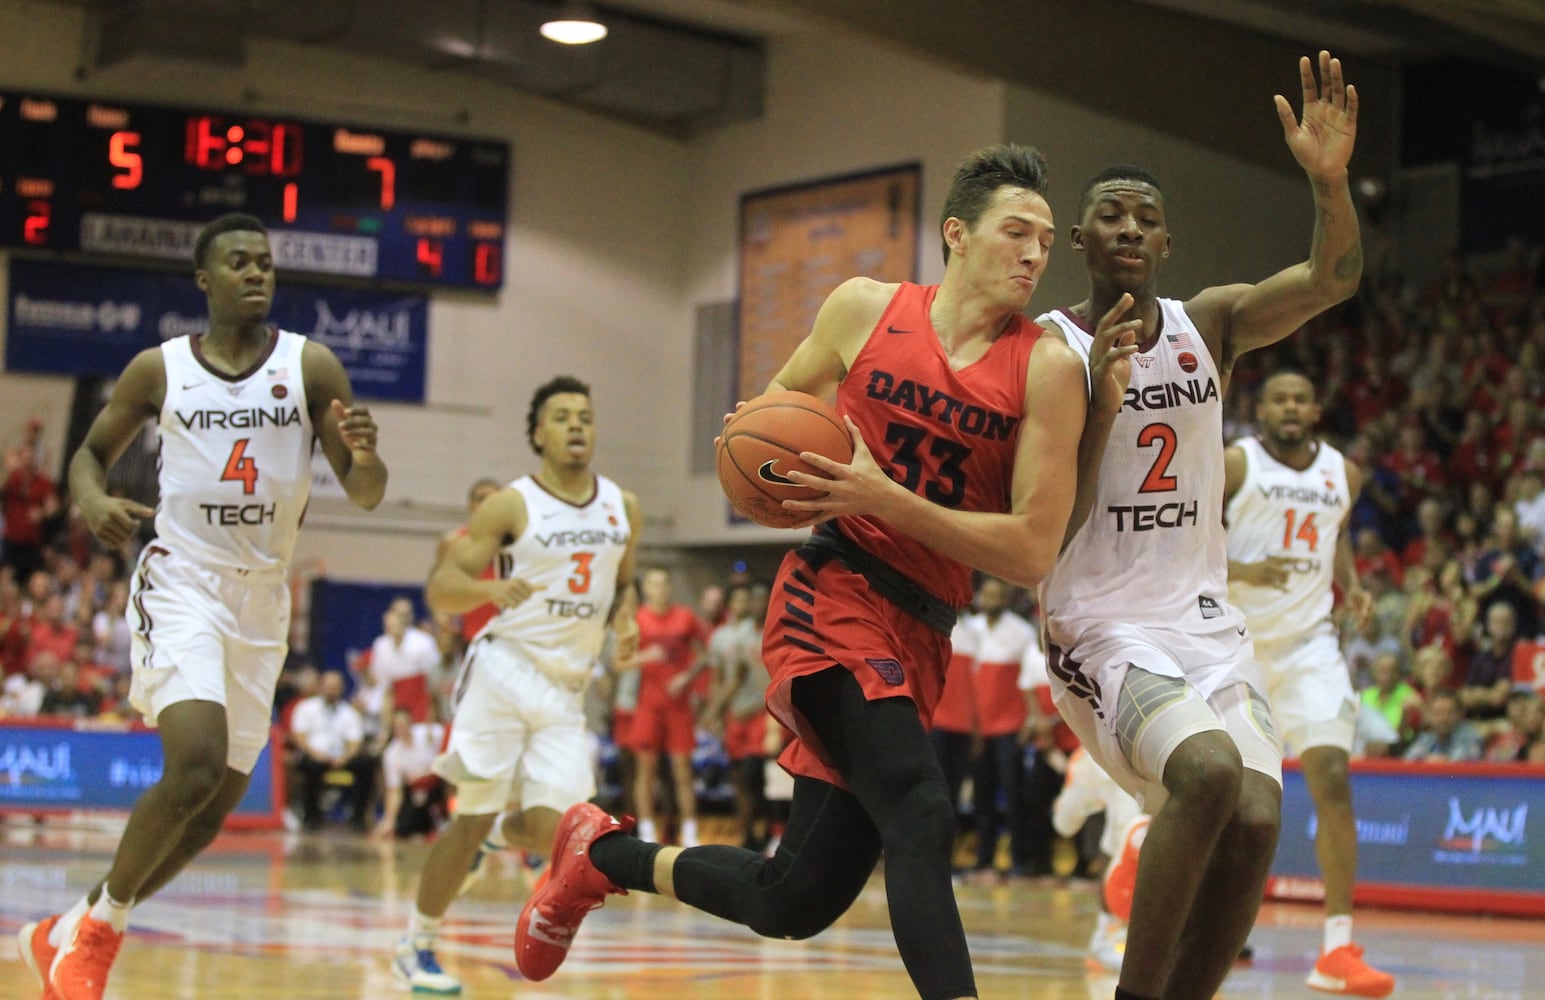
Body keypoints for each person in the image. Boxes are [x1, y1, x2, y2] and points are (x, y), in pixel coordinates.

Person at [513, 142, 1140, 999]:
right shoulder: (863, 310)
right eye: (1014, 233)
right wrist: (769, 476)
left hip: (922, 626)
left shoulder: (1047, 368)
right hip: (831, 590)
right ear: (956, 234)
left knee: (793, 899)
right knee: (920, 810)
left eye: (1043, 240)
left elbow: (1031, 548)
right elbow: (765, 425)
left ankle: (598, 854)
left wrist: (883, 494)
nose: (1034, 254)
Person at [1036, 51, 1362, 1000]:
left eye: (1146, 217)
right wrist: (1101, 400)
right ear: (1077, 240)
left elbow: (1331, 277)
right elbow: (1046, 525)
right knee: (1210, 776)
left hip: (1205, 623)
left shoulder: (1206, 323)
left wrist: (1329, 183)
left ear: (1168, 243)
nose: (1130, 227)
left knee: (1258, 816)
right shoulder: (1049, 354)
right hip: (1100, 620)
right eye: (1110, 214)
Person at [18, 211, 386, 1000]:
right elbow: (87, 456)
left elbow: (363, 491)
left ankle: (63, 929)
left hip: (263, 601)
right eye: (239, 263)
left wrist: (366, 450)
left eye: (266, 263)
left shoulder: (311, 366)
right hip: (182, 579)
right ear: (205, 280)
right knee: (190, 766)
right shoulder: (159, 369)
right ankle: (99, 937)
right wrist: (90, 502)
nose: (256, 274)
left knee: (214, 808)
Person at [392, 374, 640, 995]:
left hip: (566, 689)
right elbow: (441, 586)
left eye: (584, 415)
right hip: (504, 671)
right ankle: (417, 946)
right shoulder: (510, 504)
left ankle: (497, 839)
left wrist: (628, 621)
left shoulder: (622, 505)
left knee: (563, 833)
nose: (576, 425)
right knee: (469, 818)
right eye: (561, 417)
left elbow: (623, 581)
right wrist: (485, 590)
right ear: (537, 433)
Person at [1223, 371, 1394, 996]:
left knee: (1332, 778)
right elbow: (1186, 533)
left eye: (1301, 397)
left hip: (1308, 648)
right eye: (1280, 397)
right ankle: (1197, 923)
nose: (1291, 406)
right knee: (1231, 800)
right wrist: (1243, 566)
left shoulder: (1343, 473)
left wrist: (1352, 585)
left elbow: (1338, 535)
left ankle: (1337, 948)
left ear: (1316, 409)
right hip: (1232, 648)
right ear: (1260, 409)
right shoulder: (1235, 465)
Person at [632, 565, 711, 847]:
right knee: (646, 770)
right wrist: (644, 656)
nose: (660, 589)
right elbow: (620, 660)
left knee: (682, 770)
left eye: (664, 583)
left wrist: (687, 677)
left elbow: (705, 654)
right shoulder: (637, 618)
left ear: (670, 587)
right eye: (654, 583)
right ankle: (645, 832)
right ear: (646, 589)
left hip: (678, 704)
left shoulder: (685, 617)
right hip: (648, 703)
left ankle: (690, 832)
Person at [703, 581, 777, 851]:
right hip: (738, 713)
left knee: (756, 773)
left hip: (766, 714)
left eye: (759, 599)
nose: (753, 604)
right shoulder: (736, 636)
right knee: (739, 777)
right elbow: (731, 677)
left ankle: (771, 830)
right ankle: (748, 835)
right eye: (749, 599)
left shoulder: (775, 631)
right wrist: (715, 711)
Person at [288, 670, 374, 830]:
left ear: (341, 689)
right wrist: (317, 754)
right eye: (328, 687)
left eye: (335, 687)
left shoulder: (348, 712)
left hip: (341, 758)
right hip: (315, 756)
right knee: (309, 766)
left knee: (367, 764)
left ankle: (358, 818)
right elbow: (299, 736)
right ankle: (311, 817)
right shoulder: (306, 708)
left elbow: (355, 741)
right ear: (321, 687)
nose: (331, 691)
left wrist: (345, 757)